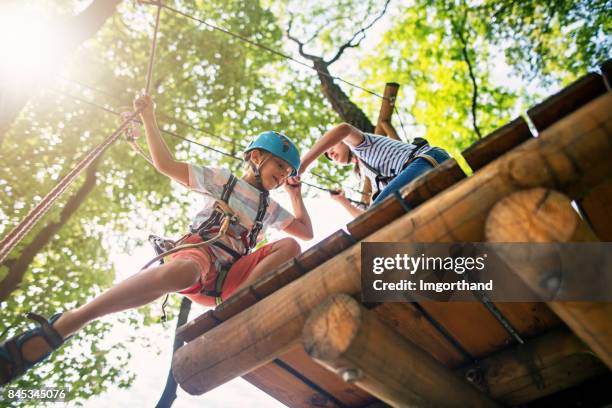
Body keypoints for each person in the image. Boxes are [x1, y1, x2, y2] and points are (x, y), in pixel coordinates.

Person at [0, 94, 313, 385]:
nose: (284, 175)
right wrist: (149, 118)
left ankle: (239, 304)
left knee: (290, 246)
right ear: (256, 157)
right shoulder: (222, 180)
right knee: (187, 271)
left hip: (231, 278)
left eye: (288, 172)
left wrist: (294, 194)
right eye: (280, 167)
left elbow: (304, 231)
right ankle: (70, 322)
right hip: (199, 254)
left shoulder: (269, 207)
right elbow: (165, 164)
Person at [299, 122, 451, 217]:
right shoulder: (371, 178)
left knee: (377, 213)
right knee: (373, 218)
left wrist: (303, 164)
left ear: (344, 142)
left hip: (427, 159)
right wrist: (343, 201)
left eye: (331, 148)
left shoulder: (363, 146)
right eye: (329, 157)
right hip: (419, 171)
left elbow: (343, 129)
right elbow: (366, 219)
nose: (331, 154)